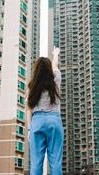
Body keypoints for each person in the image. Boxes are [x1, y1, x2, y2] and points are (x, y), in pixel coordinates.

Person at [28, 47, 63, 175]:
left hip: (37, 121)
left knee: (36, 162)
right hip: (54, 121)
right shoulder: (56, 81)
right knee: (55, 161)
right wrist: (55, 54)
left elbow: (28, 110)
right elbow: (55, 66)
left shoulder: (32, 87)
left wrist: (29, 129)